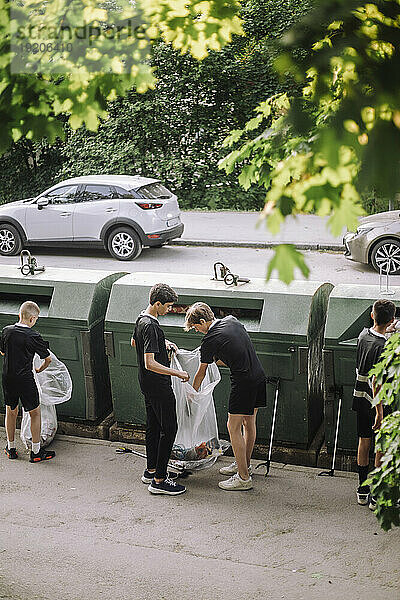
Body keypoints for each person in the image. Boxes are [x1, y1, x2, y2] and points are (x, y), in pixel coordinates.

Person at [184, 302, 267, 491]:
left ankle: (243, 478)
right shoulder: (231, 321)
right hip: (258, 376)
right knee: (249, 423)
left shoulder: (209, 340)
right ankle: (244, 466)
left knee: (233, 427)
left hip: (243, 383)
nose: (198, 332)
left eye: (196, 328)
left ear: (203, 321)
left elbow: (201, 373)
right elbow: (234, 352)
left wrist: (192, 394)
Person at [132, 283, 189, 496]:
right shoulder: (152, 326)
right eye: (167, 306)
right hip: (158, 384)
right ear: (157, 304)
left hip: (146, 383)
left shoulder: (141, 319)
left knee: (153, 426)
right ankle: (159, 481)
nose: (169, 310)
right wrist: (179, 374)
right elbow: (150, 362)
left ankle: (151, 469)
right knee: (170, 429)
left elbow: (134, 342)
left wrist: (162, 342)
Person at [353, 298, 395, 508]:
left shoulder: (363, 335)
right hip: (378, 403)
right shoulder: (383, 347)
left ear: (372, 315)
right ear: (392, 320)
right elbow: (377, 381)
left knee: (364, 441)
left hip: (360, 398)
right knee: (380, 447)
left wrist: (388, 329)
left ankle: (363, 489)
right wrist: (379, 412)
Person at [1, 301, 55, 463]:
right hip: (25, 379)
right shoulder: (33, 336)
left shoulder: (6, 331)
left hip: (8, 377)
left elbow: (3, 352)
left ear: (19, 315)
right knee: (34, 413)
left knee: (11, 411)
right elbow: (48, 359)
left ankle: (11, 448)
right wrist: (40, 369)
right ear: (32, 318)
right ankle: (36, 452)